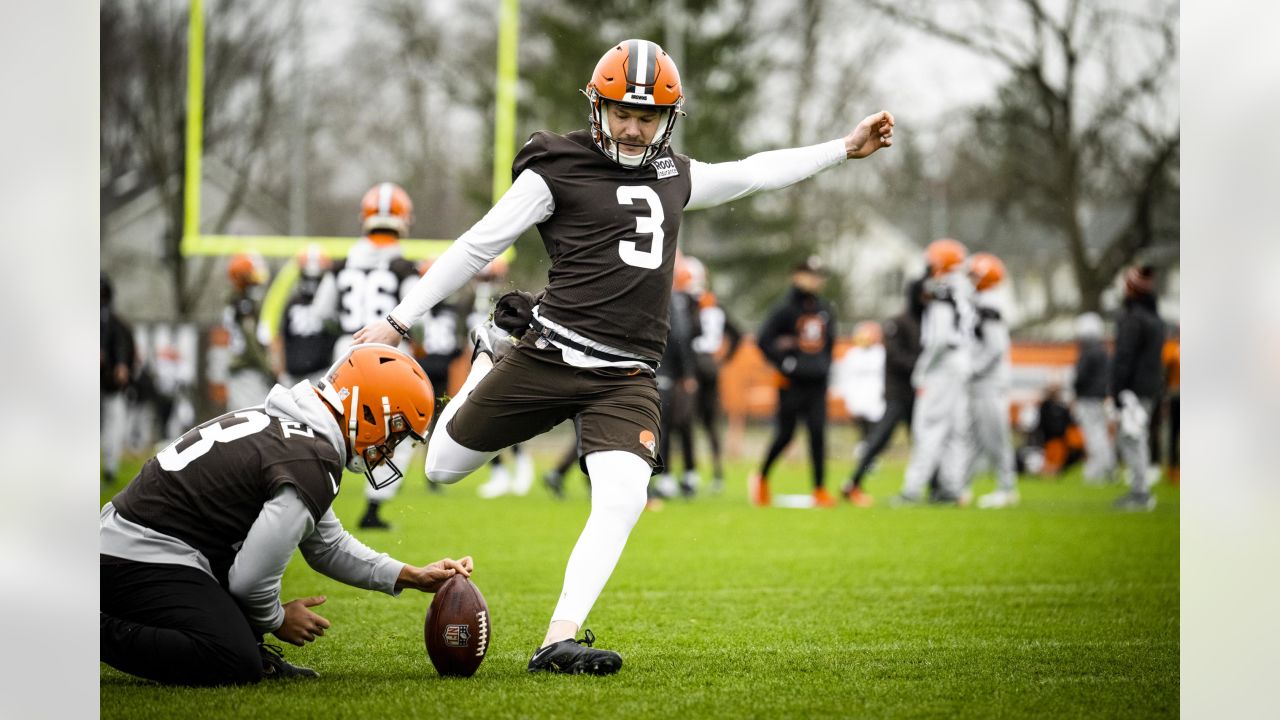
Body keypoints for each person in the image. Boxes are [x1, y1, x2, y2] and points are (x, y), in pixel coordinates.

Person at [354, 38, 893, 673]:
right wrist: (397, 321)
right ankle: (490, 352)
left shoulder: (674, 174)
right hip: (548, 355)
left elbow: (752, 172)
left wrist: (842, 149)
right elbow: (477, 246)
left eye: (648, 117)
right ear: (597, 107)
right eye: (622, 113)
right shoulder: (553, 168)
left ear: (669, 118)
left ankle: (559, 637)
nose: (634, 129)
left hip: (627, 377)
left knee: (624, 497)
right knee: (442, 468)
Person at [100, 344, 474, 686]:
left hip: (134, 543)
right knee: (231, 658)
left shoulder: (297, 434)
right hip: (136, 554)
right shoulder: (310, 457)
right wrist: (276, 619)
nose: (390, 450)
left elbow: (327, 544)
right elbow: (250, 582)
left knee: (239, 633)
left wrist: (412, 576)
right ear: (369, 409)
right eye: (394, 433)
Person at [321, 183, 422, 529]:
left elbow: (322, 312)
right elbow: (415, 316)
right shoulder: (403, 266)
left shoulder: (341, 262)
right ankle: (373, 508)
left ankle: (311, 493)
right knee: (398, 433)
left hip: (346, 355)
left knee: (330, 431)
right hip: (390, 359)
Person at [748, 256, 839, 508]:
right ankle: (762, 477)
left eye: (819, 275)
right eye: (811, 274)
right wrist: (784, 362)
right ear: (797, 275)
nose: (816, 280)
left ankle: (820, 488)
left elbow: (830, 344)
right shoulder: (785, 308)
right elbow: (763, 340)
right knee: (785, 434)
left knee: (818, 432)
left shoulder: (824, 308)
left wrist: (824, 367)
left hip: (817, 383)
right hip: (791, 383)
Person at [896, 238, 973, 505]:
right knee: (954, 431)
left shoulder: (942, 289)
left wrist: (922, 368)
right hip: (960, 364)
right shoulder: (963, 288)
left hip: (942, 366)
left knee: (928, 428)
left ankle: (913, 489)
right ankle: (953, 487)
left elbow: (939, 338)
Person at [841, 275, 928, 506]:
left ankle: (933, 485)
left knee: (923, 441)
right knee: (880, 439)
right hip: (899, 393)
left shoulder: (927, 322)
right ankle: (853, 483)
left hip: (917, 393)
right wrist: (923, 366)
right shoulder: (898, 323)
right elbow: (897, 358)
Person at [959, 253, 1020, 509]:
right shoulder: (981, 302)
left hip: (989, 382)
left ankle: (1007, 487)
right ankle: (960, 486)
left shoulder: (989, 305)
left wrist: (972, 368)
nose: (969, 279)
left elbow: (995, 348)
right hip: (980, 382)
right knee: (972, 436)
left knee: (995, 436)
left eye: (974, 274)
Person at [685, 256, 742, 494]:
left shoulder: (687, 302)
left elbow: (684, 334)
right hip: (710, 365)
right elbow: (737, 335)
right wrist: (722, 360)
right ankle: (716, 473)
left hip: (693, 366)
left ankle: (691, 474)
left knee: (685, 422)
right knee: (710, 424)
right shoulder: (714, 303)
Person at [1111, 265, 1165, 510]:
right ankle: (1140, 490)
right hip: (1149, 387)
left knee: (1132, 438)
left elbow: (1124, 356)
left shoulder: (1133, 319)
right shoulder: (1155, 319)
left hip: (1132, 389)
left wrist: (1117, 389)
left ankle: (1141, 493)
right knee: (1135, 437)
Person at [653, 257, 701, 502]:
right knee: (667, 426)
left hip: (659, 371)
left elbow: (683, 336)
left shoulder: (670, 299)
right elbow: (682, 336)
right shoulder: (672, 299)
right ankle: (670, 475)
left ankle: (670, 475)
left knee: (665, 426)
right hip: (665, 372)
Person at [273, 245, 339, 386]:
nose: (311, 283)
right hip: (293, 375)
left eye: (316, 278)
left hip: (322, 373)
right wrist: (280, 371)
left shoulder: (330, 304)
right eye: (308, 277)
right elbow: (281, 338)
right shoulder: (292, 303)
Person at [223, 252, 275, 413]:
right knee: (253, 416)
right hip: (247, 369)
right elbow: (251, 340)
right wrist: (268, 369)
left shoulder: (236, 302)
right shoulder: (243, 305)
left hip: (244, 369)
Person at [832, 320, 886, 464]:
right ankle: (865, 452)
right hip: (859, 397)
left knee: (875, 427)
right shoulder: (853, 354)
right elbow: (844, 375)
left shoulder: (880, 353)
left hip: (875, 396)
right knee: (863, 426)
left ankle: (871, 454)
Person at [101, 272, 137, 486]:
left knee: (113, 424)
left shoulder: (116, 323)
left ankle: (110, 468)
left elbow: (125, 349)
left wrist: (122, 365)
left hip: (108, 384)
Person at [1072, 311, 1114, 484]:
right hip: (1100, 396)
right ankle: (1108, 468)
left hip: (1089, 398)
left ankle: (1097, 470)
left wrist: (1076, 391)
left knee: (1094, 435)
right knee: (1101, 434)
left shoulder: (1088, 352)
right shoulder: (1103, 351)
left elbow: (1080, 377)